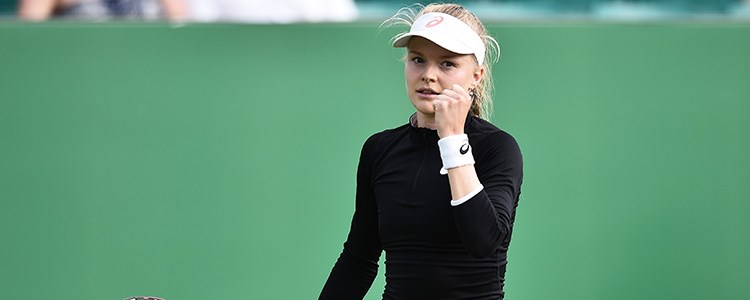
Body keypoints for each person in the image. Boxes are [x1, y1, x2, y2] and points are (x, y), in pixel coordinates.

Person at [319, 3, 523, 300]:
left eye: (447, 64)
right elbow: (358, 259)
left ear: (476, 76)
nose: (428, 75)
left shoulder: (497, 148)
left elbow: (483, 241)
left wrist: (452, 138)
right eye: (418, 59)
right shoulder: (379, 149)